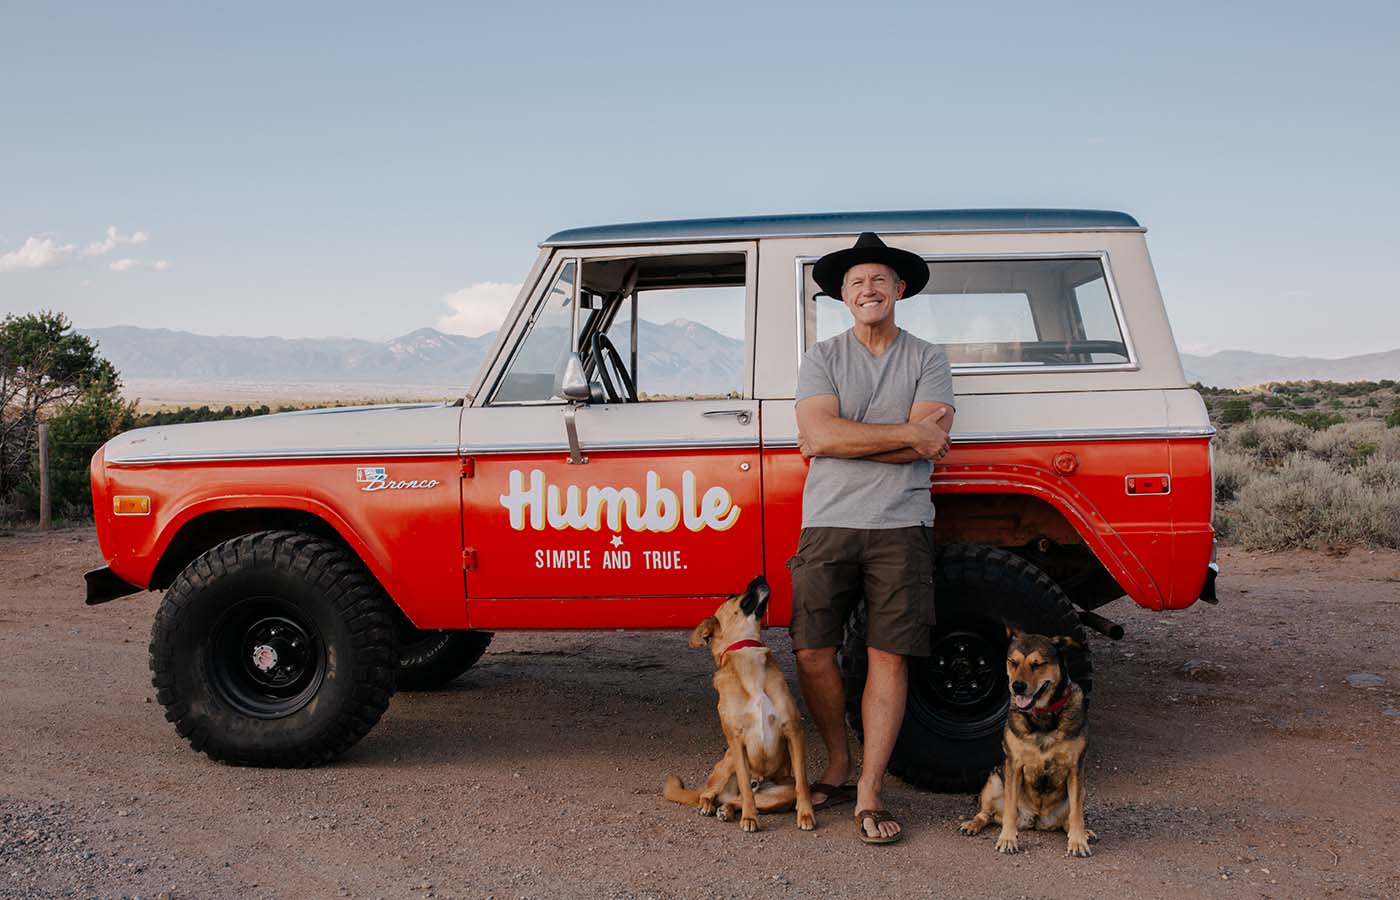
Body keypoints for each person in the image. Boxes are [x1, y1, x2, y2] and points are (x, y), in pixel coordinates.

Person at [789, 232, 955, 844]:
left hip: (901, 524)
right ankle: (837, 761)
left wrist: (840, 438)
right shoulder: (823, 355)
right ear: (842, 294)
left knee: (889, 653)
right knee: (811, 649)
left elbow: (929, 444)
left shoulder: (929, 357)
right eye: (857, 281)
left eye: (880, 280)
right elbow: (824, 436)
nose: (869, 289)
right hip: (827, 519)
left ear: (900, 289)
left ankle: (870, 790)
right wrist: (905, 437)